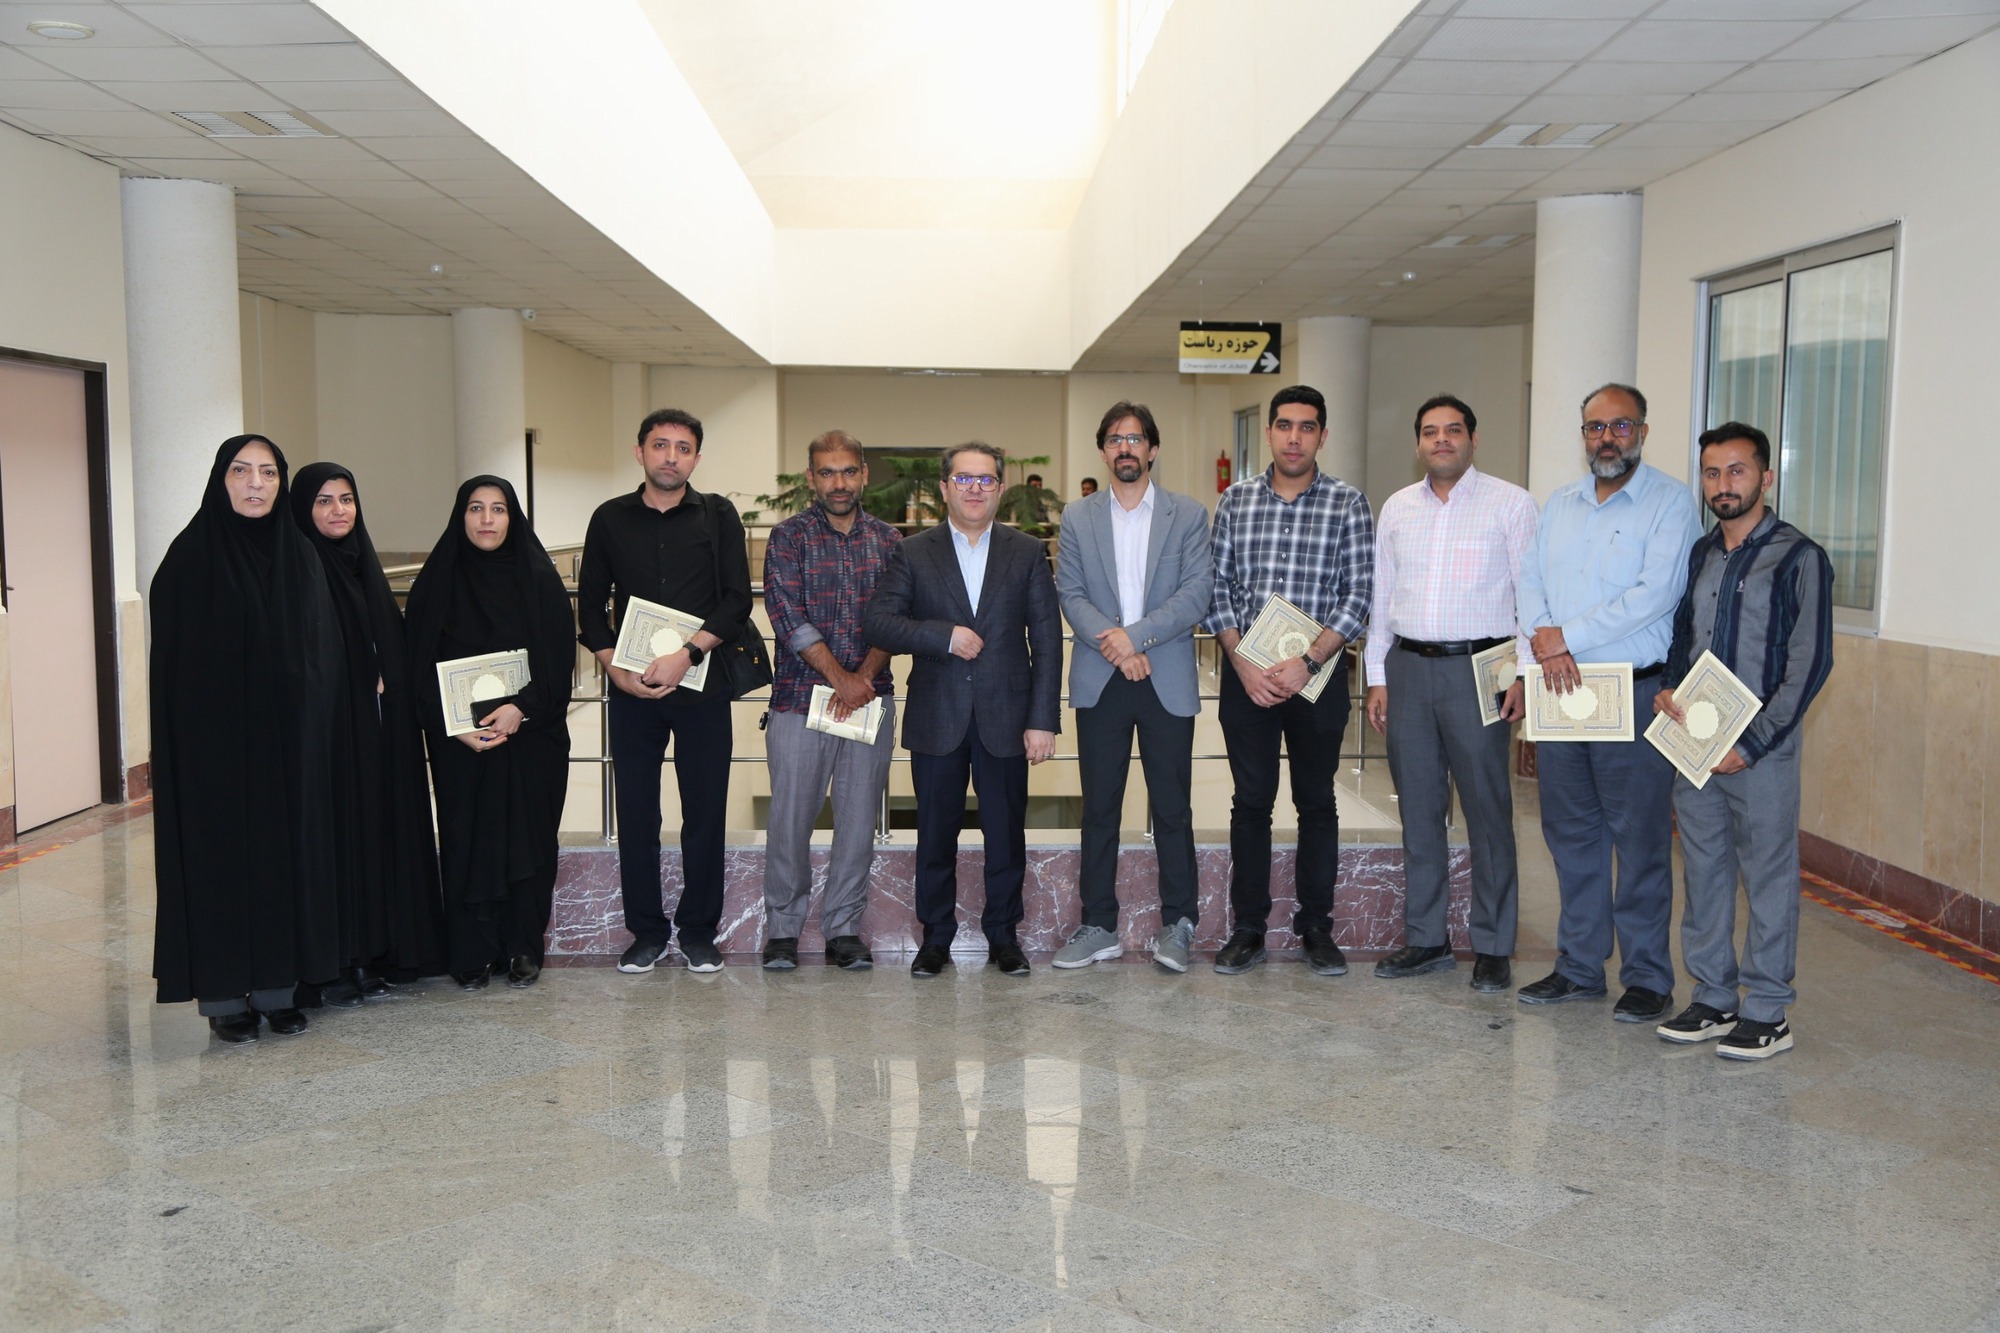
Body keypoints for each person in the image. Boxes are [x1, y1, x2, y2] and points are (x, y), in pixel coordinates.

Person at [1515, 383, 1702, 1021]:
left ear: (1642, 432)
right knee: (1571, 834)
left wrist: (1565, 637)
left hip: (1633, 690)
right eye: (1596, 427)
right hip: (1561, 689)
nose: (1607, 438)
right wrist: (1548, 643)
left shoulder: (1670, 503)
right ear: (1584, 435)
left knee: (1639, 838)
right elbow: (1530, 580)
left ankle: (1647, 977)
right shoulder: (1559, 504)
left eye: (1621, 426)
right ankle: (1578, 966)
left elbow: (1655, 594)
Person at [1653, 423, 1833, 1059]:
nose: (1723, 484)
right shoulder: (1703, 553)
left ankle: (1768, 1010)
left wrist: (1752, 746)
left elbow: (1809, 664)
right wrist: (1669, 687)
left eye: (1737, 470)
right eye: (1712, 473)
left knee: (1768, 877)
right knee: (1704, 871)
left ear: (1766, 477)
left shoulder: (1799, 557)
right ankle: (1713, 997)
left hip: (1762, 752)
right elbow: (1684, 633)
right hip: (1696, 746)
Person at [151, 435, 339, 1042]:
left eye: (268, 473)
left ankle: (281, 990)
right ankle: (226, 997)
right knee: (221, 868)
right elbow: (175, 669)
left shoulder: (299, 556)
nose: (256, 483)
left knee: (286, 862)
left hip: (288, 746)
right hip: (215, 752)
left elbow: (319, 653)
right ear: (220, 479)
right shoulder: (189, 558)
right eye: (241, 471)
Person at [864, 441, 1062, 978]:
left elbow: (1047, 641)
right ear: (945, 487)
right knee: (934, 837)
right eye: (964, 479)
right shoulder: (913, 551)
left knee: (1006, 837)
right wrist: (943, 636)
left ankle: (1004, 937)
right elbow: (880, 622)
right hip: (937, 716)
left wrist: (1042, 719)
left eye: (985, 479)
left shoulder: (1026, 551)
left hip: (1008, 718)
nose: (975, 489)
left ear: (1000, 488)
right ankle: (935, 939)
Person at [1364, 396, 1537, 993]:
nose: (1442, 440)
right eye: (1431, 432)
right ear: (1417, 443)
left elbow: (1531, 596)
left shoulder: (1511, 504)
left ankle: (1492, 944)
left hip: (1482, 670)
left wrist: (1525, 673)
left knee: (1488, 811)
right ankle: (1426, 938)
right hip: (1409, 668)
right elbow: (1382, 597)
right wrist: (1378, 676)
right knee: (1418, 811)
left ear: (1473, 438)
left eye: (1453, 430)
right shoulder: (1397, 508)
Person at [1205, 385, 1373, 976]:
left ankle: (1316, 928)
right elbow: (1217, 588)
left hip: (1317, 679)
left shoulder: (1349, 504)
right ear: (1270, 433)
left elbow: (1359, 594)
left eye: (1306, 427)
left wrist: (1311, 660)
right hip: (1247, 677)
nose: (1294, 437)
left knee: (1316, 802)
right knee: (1250, 803)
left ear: (1322, 435)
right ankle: (1248, 928)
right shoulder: (1236, 501)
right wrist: (1241, 662)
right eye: (1284, 425)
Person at [578, 409, 753, 975]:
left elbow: (736, 600)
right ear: (640, 452)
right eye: (660, 445)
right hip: (632, 691)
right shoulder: (609, 518)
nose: (670, 456)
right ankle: (647, 933)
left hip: (703, 687)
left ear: (696, 458)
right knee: (636, 815)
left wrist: (687, 655)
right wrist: (612, 667)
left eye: (682, 447)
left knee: (704, 814)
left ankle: (699, 932)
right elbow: (590, 607)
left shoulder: (719, 516)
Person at [1052, 402, 1211, 972]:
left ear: (1153, 449)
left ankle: (1179, 924)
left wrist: (1134, 640)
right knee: (1099, 809)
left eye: (1136, 438)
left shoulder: (1187, 515)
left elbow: (1196, 593)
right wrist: (1117, 648)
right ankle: (1098, 925)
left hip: (1165, 677)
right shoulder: (1078, 517)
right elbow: (1070, 593)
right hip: (1102, 679)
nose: (1126, 448)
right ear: (1103, 451)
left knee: (1172, 808)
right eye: (1115, 439)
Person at [406, 476, 573, 989]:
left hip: (531, 737)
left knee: (529, 839)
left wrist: (521, 709)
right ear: (460, 516)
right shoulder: (437, 581)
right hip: (461, 745)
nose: (486, 519)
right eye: (475, 508)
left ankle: (523, 946)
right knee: (467, 837)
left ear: (512, 517)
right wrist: (452, 725)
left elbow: (559, 663)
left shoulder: (539, 579)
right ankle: (472, 949)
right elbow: (416, 666)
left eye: (498, 509)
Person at [290, 463, 447, 1002]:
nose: (338, 511)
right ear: (303, 510)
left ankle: (374, 954)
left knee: (376, 838)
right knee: (338, 843)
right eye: (323, 501)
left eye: (346, 499)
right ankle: (337, 962)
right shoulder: (301, 568)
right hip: (328, 739)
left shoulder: (364, 566)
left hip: (379, 733)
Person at [759, 430, 902, 971]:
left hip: (869, 701)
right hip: (800, 701)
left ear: (864, 474)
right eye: (826, 472)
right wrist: (840, 678)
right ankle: (782, 930)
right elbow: (786, 615)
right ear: (811, 478)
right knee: (789, 822)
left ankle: (843, 929)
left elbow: (897, 615)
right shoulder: (787, 538)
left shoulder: (890, 541)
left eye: (847, 471)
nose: (838, 483)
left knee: (858, 823)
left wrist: (861, 678)